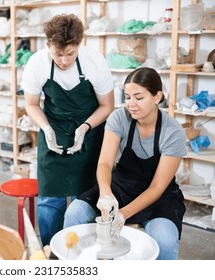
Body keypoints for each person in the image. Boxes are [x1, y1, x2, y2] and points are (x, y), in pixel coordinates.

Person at [64, 67, 187, 260]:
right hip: (120, 187)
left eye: (139, 97)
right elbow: (104, 163)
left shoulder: (173, 132)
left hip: (158, 197)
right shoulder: (119, 118)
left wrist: (122, 214)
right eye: (128, 97)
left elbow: (156, 187)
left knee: (164, 240)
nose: (131, 104)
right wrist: (105, 194)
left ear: (157, 97)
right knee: (74, 213)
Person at [20, 14, 114, 246]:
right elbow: (31, 104)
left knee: (88, 199)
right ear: (48, 45)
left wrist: (84, 127)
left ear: (80, 44)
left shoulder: (94, 61)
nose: (63, 60)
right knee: (50, 201)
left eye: (69, 53)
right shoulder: (37, 63)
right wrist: (46, 128)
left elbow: (107, 106)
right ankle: (53, 253)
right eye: (57, 54)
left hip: (89, 132)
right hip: (53, 127)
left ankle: (85, 251)